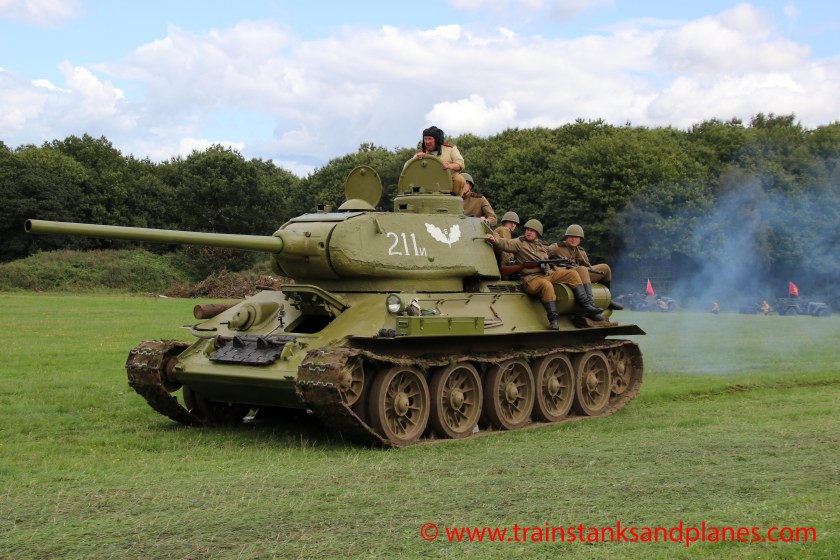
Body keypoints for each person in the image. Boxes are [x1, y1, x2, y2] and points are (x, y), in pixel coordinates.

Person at [486, 219, 605, 329]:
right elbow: (505, 243)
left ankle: (586, 306)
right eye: (527, 230)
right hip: (531, 279)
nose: (528, 232)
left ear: (538, 233)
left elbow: (551, 257)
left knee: (572, 274)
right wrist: (494, 239)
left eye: (532, 230)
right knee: (547, 285)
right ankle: (553, 319)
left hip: (546, 274)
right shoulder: (519, 243)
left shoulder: (542, 245)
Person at [548, 224, 623, 311]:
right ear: (567, 237)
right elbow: (541, 256)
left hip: (581, 275)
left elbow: (588, 267)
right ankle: (590, 304)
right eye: (571, 237)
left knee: (605, 268)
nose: (574, 239)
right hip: (566, 276)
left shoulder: (581, 251)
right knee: (582, 269)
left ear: (580, 239)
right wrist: (550, 268)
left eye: (576, 237)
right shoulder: (556, 247)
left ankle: (608, 300)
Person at [407, 125, 467, 195]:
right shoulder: (421, 153)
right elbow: (407, 167)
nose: (427, 142)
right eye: (425, 139)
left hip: (448, 181)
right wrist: (417, 159)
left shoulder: (450, 149)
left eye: (430, 139)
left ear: (437, 139)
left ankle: (453, 198)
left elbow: (460, 164)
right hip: (427, 182)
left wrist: (450, 166)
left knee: (459, 179)